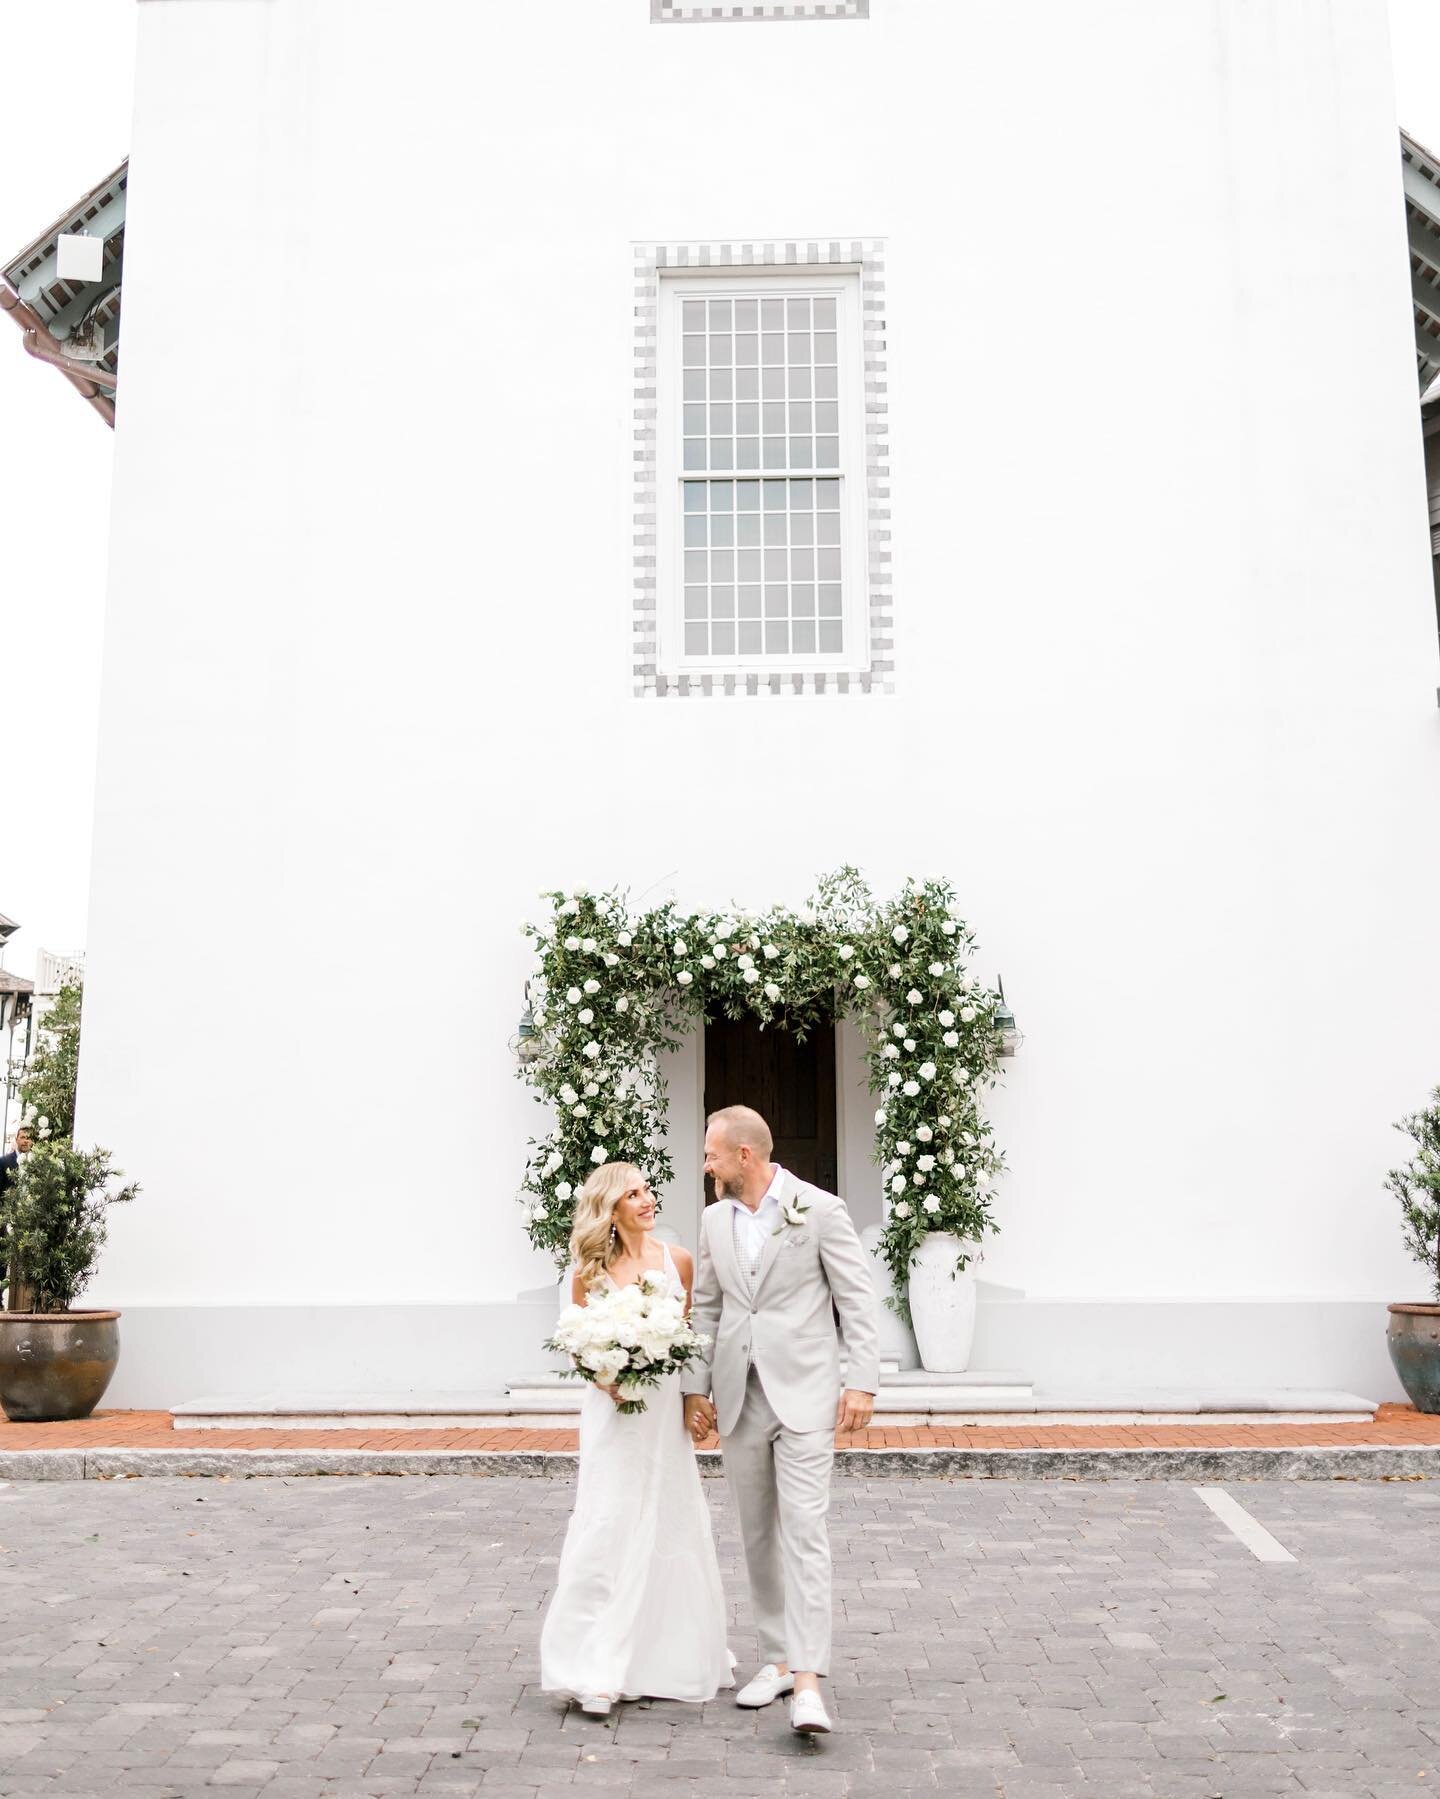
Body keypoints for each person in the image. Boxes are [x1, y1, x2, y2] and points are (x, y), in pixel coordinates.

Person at [682, 1105, 880, 1737]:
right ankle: (775, 1657)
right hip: (740, 1397)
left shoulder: (819, 1209)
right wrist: (694, 1390)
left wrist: (863, 1382)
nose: (704, 1163)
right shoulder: (714, 1219)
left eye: (712, 1154)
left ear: (745, 1155)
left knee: (805, 1531)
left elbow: (855, 1298)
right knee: (757, 1536)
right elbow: (707, 1308)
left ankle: (809, 1683)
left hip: (806, 1394)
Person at [538, 1161, 734, 1717]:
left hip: (662, 1417)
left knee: (667, 1519)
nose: (649, 1200)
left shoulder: (679, 1263)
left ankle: (662, 1655)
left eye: (648, 1190)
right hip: (613, 1416)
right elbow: (577, 1342)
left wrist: (697, 1399)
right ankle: (596, 1667)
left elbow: (690, 1339)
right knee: (610, 1522)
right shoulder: (586, 1272)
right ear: (611, 1210)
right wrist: (609, 1378)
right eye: (634, 1194)